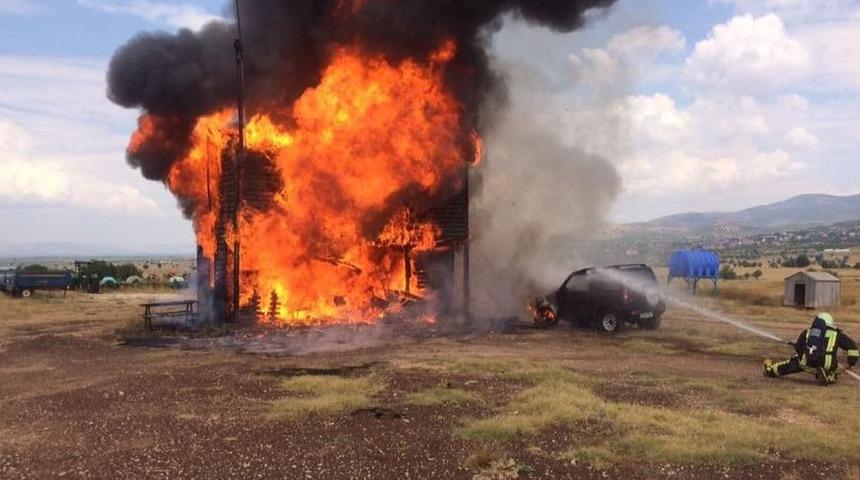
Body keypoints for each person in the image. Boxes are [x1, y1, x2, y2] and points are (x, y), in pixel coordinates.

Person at [763, 312, 858, 385]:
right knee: (836, 370)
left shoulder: (808, 332)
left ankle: (770, 370)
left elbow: (799, 349)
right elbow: (852, 349)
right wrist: (851, 363)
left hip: (807, 364)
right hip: (828, 364)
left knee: (793, 362)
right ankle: (829, 376)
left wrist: (800, 349)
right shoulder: (837, 334)